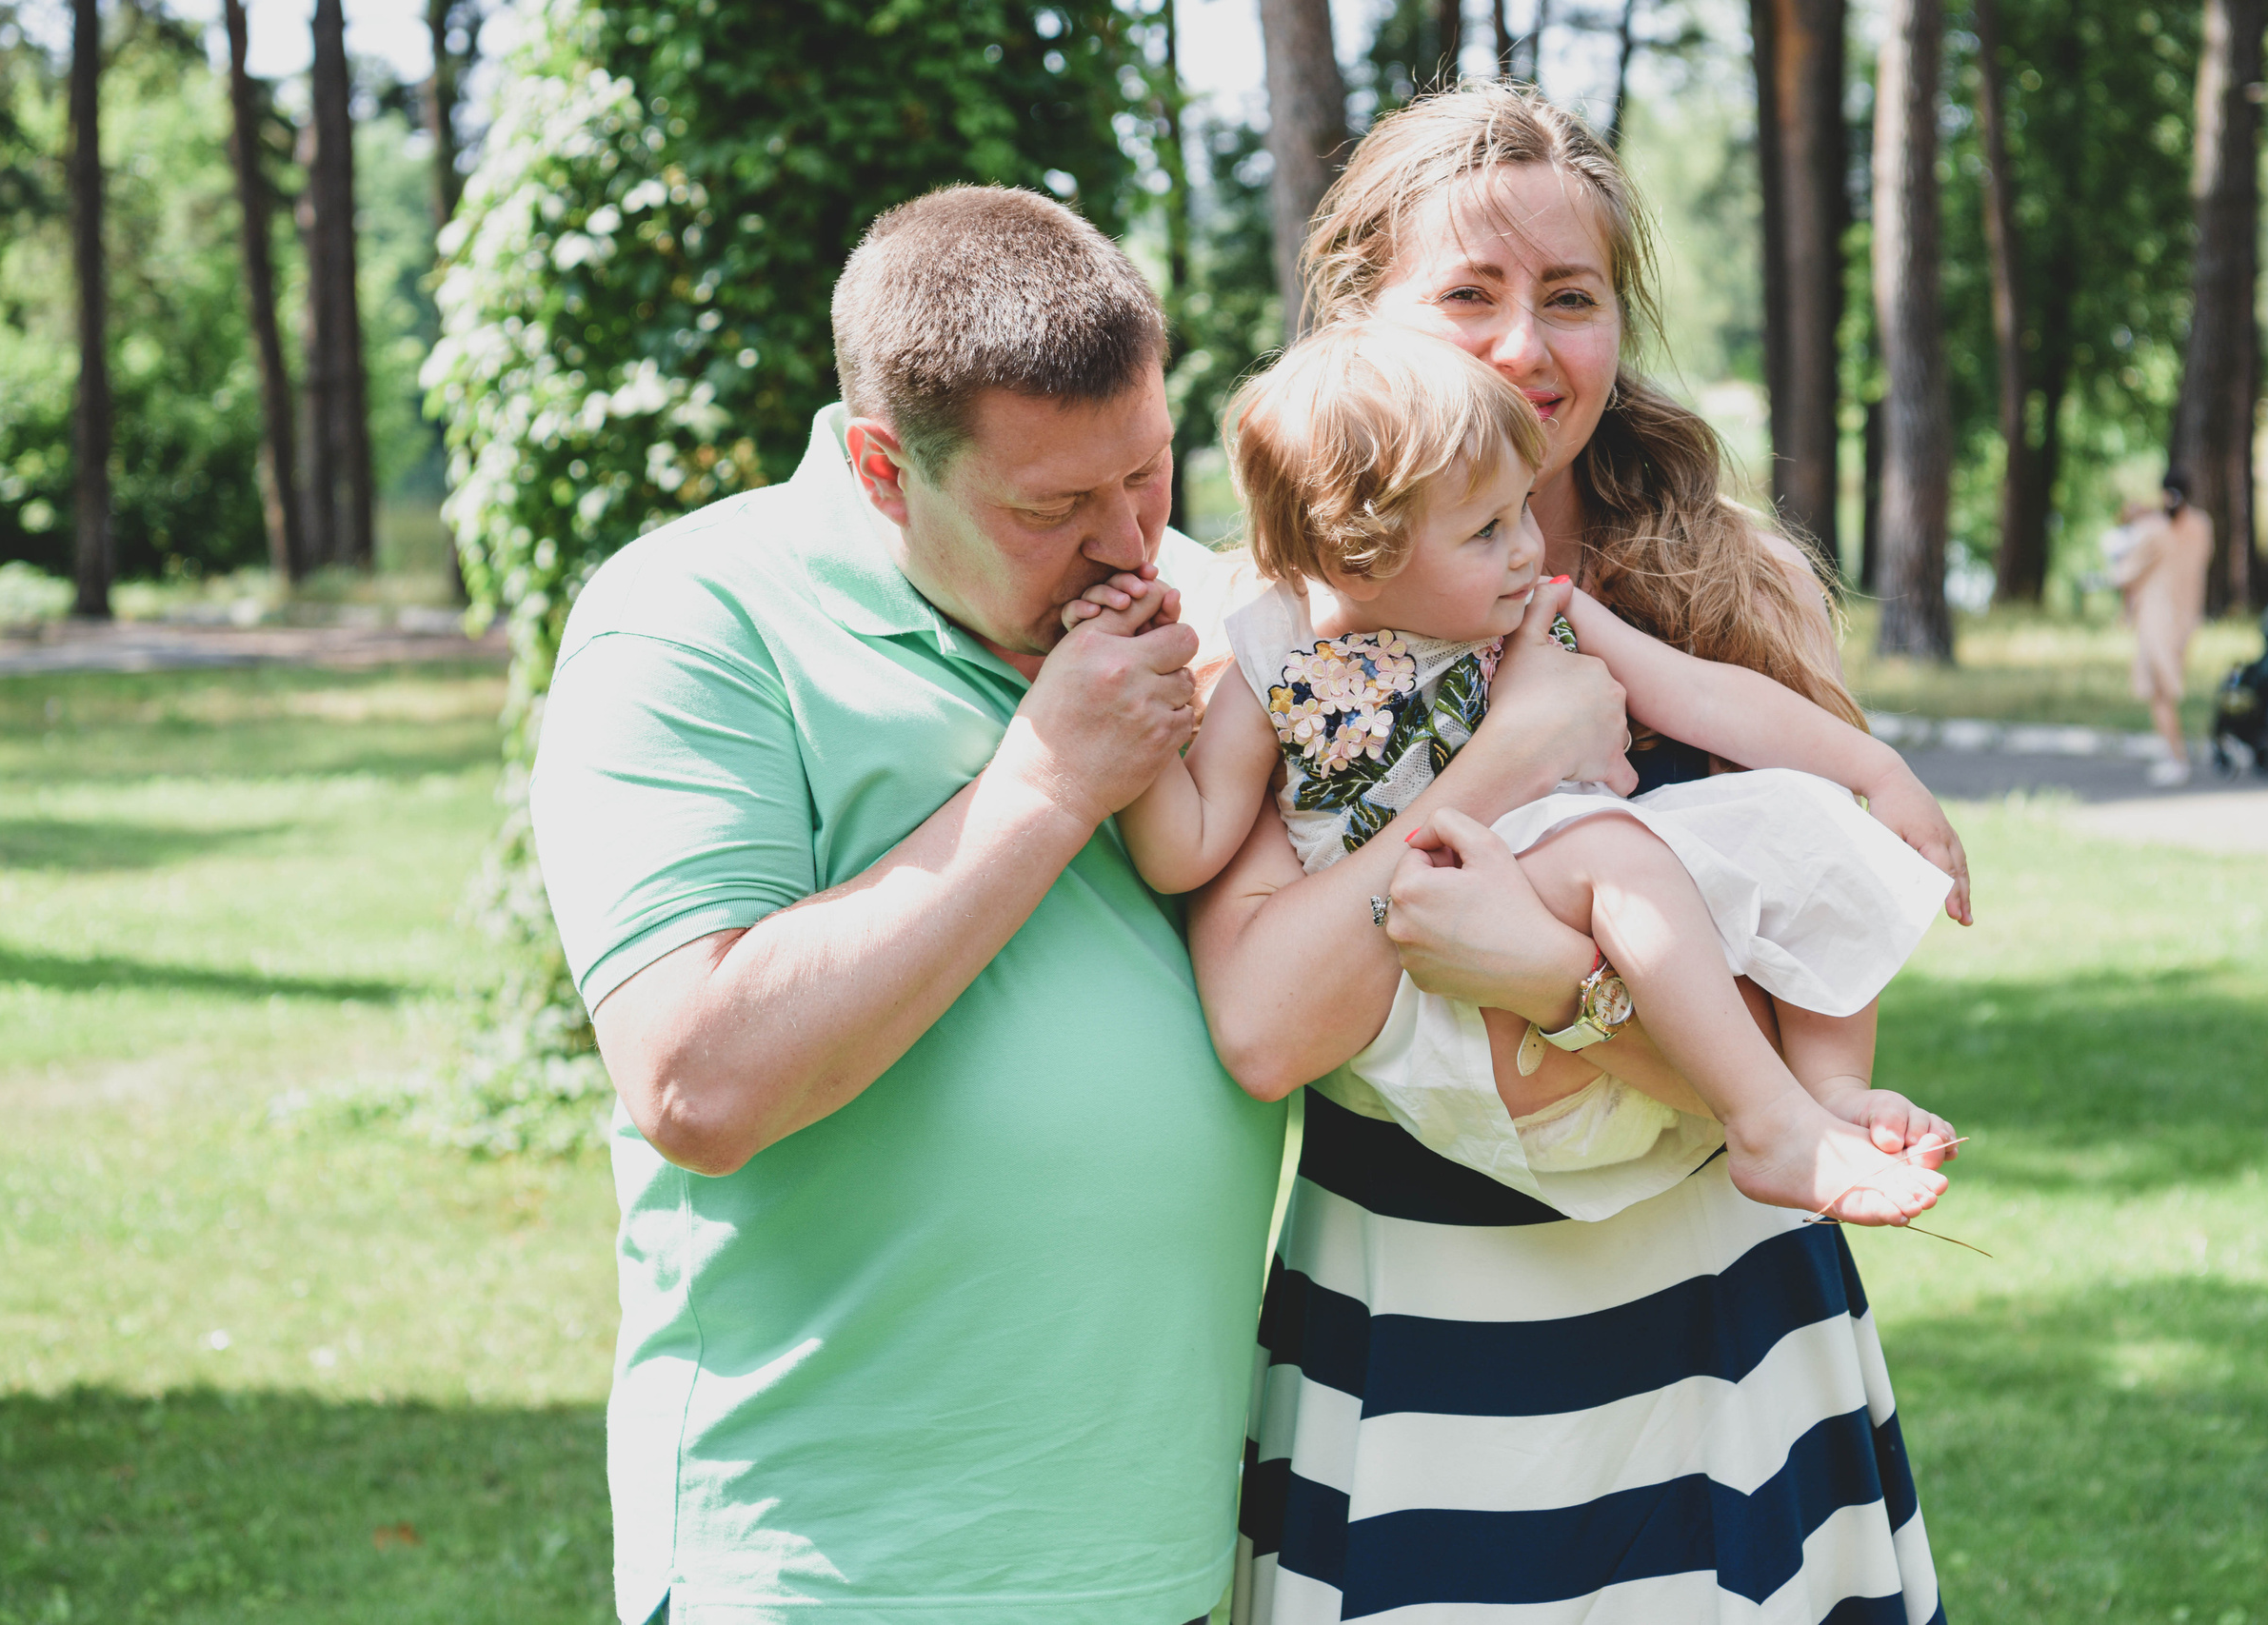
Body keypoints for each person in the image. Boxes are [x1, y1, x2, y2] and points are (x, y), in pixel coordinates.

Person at [1177, 87, 1955, 1622]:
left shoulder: (1725, 588)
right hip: (1420, 1311)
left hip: (1723, 1308)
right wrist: (1510, 757)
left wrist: (1551, 978)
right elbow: (1268, 1024)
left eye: (1573, 298)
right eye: (1469, 293)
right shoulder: (1272, 615)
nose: (1526, 348)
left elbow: (1794, 1006)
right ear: (1360, 312)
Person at [527, 186, 1285, 1625]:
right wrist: (1050, 781)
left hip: (1159, 1561)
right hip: (829, 1569)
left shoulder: (1201, 612)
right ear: (884, 469)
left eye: (1146, 473)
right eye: (1050, 508)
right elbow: (696, 1078)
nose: (1130, 546)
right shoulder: (692, 619)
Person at [1075, 321, 1963, 1227]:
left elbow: (1702, 696)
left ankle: (1830, 1090)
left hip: (1556, 910)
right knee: (1616, 853)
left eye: (1524, 508)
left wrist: (1876, 768)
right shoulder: (1271, 664)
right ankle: (1767, 1124)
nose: (1529, 548)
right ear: (1357, 558)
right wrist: (1135, 711)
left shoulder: (1538, 611)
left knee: (1798, 812)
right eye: (1487, 529)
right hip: (1427, 966)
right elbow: (1186, 849)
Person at [2112, 468, 2213, 785]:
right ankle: (2174, 755)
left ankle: (2175, 758)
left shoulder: (2153, 530)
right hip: (2187, 617)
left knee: (2160, 691)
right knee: (2165, 688)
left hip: (2157, 618)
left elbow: (2124, 573)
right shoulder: (2201, 526)